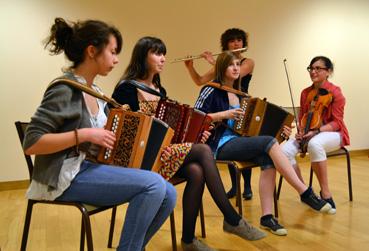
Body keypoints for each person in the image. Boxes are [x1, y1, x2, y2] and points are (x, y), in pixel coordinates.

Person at [22, 18, 177, 251]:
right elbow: (31, 143)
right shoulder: (65, 89)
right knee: (154, 185)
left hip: (90, 168)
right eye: (113, 52)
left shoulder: (96, 92)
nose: (116, 60)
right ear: (92, 51)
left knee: (169, 193)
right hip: (65, 177)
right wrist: (84, 134)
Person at [112, 36, 266, 251]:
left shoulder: (159, 89)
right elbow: (121, 128)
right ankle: (231, 218)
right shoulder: (126, 89)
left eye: (164, 53)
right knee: (203, 151)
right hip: (139, 158)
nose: (163, 58)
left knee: (196, 171)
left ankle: (188, 240)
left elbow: (169, 132)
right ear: (142, 57)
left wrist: (196, 133)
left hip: (162, 153)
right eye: (157, 53)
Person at [194, 51, 333, 236]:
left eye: (237, 64)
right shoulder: (209, 89)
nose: (236, 68)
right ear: (221, 68)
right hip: (217, 144)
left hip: (240, 142)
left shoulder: (243, 96)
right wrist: (223, 115)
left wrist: (281, 134)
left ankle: (266, 217)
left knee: (267, 156)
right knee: (267, 144)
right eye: (230, 65)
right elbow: (195, 118)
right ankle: (305, 192)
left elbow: (255, 131)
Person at [184, 28, 254, 200]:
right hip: (223, 104)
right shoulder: (217, 74)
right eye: (232, 41)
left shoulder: (247, 61)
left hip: (241, 101)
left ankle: (247, 186)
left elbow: (236, 74)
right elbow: (200, 81)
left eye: (239, 40)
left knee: (245, 138)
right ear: (226, 44)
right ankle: (235, 186)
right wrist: (190, 67)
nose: (236, 43)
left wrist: (214, 62)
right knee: (228, 137)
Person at [282, 56, 350, 214]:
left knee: (315, 144)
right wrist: (300, 131)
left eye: (318, 68)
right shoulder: (306, 93)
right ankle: (306, 193)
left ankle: (325, 193)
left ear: (329, 72)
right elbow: (303, 117)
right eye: (311, 68)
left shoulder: (336, 93)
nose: (313, 71)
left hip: (334, 134)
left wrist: (317, 131)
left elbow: (337, 123)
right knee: (284, 152)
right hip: (309, 132)